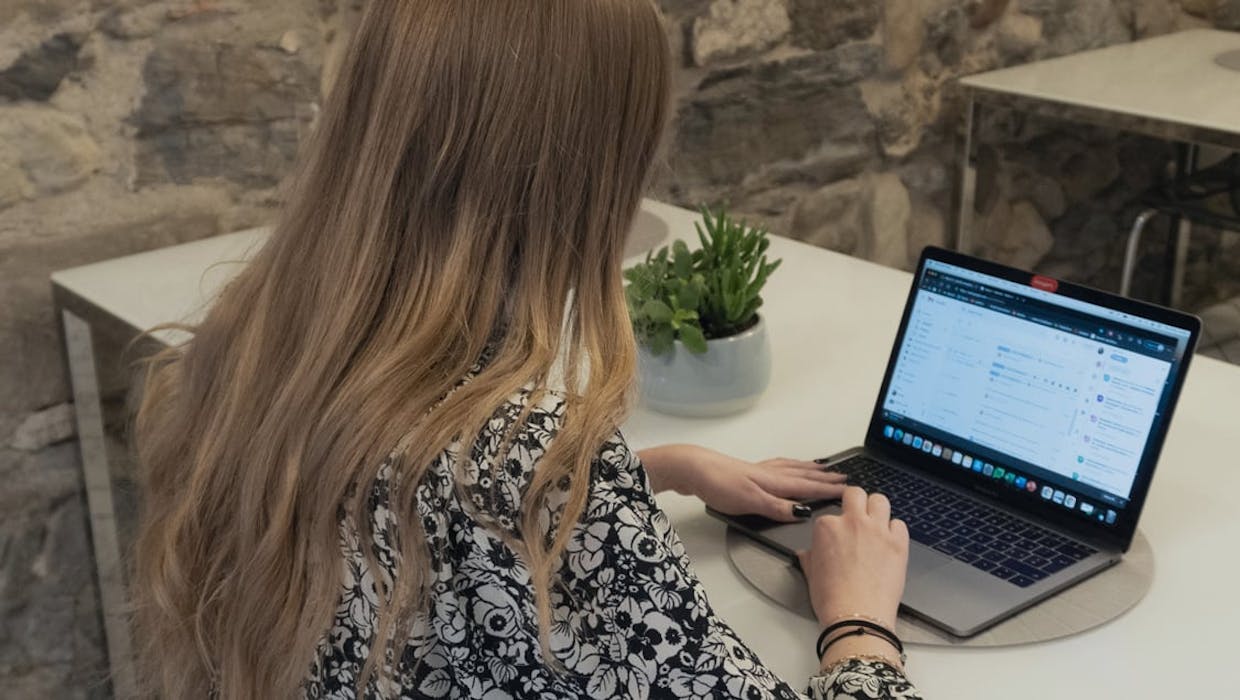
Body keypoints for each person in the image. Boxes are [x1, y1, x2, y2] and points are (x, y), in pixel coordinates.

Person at [130, 1, 923, 698]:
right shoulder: (526, 465)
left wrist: (653, 472)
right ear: (591, 174)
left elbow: (416, 517)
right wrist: (858, 623)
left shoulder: (254, 353)